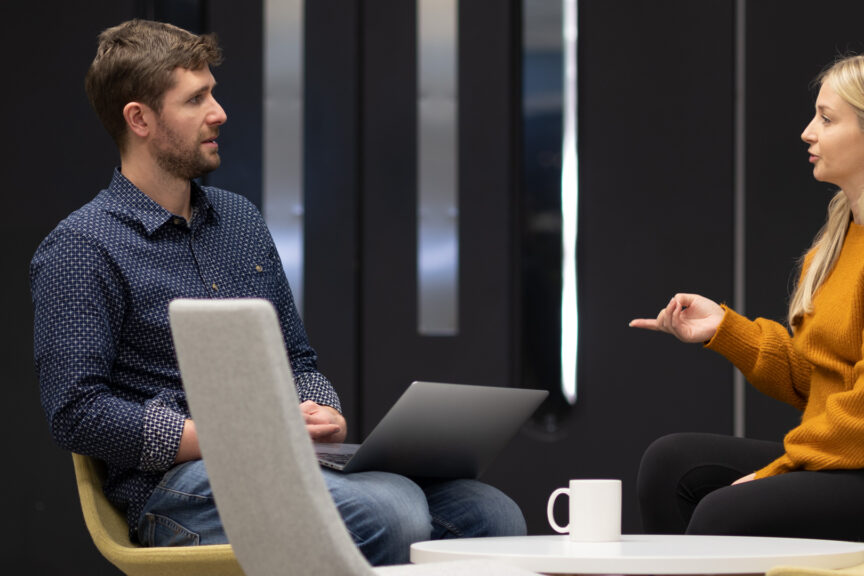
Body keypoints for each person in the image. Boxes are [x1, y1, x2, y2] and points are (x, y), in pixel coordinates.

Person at [30, 19, 525, 565]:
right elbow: (77, 412)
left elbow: (298, 360)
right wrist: (233, 437)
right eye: (195, 99)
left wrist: (322, 412)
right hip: (175, 487)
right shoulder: (81, 246)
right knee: (392, 511)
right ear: (139, 119)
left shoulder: (239, 220)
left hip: (280, 457)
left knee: (491, 514)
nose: (219, 112)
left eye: (212, 92)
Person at [629, 52, 864, 546]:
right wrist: (725, 329)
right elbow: (821, 380)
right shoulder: (841, 236)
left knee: (725, 511)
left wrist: (775, 472)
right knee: (670, 464)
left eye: (826, 119)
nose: (807, 132)